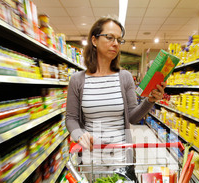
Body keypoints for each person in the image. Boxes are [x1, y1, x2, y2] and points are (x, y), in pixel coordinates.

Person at [66, 16, 166, 167]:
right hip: (91, 158)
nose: (115, 44)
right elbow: (71, 118)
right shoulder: (77, 80)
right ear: (94, 40)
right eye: (110, 37)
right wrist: (79, 135)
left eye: (119, 40)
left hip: (121, 156)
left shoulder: (124, 77)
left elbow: (132, 117)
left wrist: (150, 100)